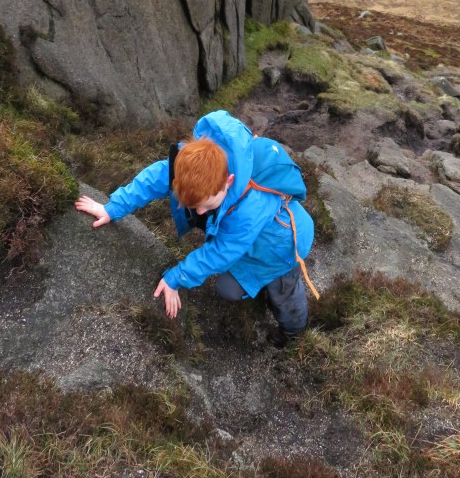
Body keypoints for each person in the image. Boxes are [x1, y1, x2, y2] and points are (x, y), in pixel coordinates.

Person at [74, 110, 314, 342]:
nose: (199, 213)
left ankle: (292, 331)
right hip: (250, 235)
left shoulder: (249, 209)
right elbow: (151, 181)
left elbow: (221, 253)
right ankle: (260, 285)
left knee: (271, 290)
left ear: (228, 182)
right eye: (194, 206)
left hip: (282, 244)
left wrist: (175, 278)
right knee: (232, 276)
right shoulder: (190, 164)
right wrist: (112, 208)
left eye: (206, 205)